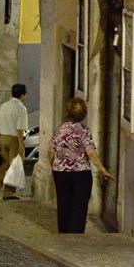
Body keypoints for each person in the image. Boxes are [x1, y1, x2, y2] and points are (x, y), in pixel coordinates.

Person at [48, 98, 114, 233]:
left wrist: (54, 165)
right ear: (83, 113)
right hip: (80, 174)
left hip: (60, 173)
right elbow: (91, 153)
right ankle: (75, 236)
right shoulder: (84, 130)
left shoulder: (60, 129)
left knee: (63, 204)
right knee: (79, 206)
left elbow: (51, 150)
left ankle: (64, 233)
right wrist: (103, 170)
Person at [0, 84, 29, 199]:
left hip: (2, 138)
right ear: (22, 95)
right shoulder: (21, 108)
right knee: (15, 166)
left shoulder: (3, 106)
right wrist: (21, 144)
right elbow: (20, 129)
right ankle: (8, 193)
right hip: (14, 140)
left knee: (5, 163)